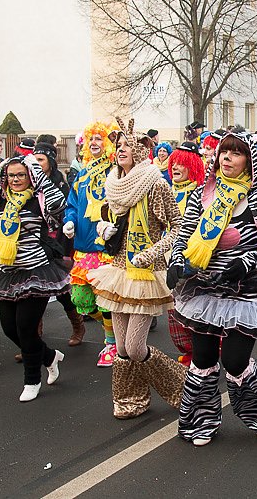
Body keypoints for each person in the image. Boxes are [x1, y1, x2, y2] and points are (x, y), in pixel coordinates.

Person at [170, 130, 257, 446]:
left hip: (246, 292)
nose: (227, 157)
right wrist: (176, 261)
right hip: (206, 289)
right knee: (202, 359)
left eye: (236, 153)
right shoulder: (202, 195)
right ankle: (200, 423)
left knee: (235, 362)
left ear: (248, 161)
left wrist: (250, 260)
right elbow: (184, 237)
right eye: (224, 151)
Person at [87, 117, 186, 419]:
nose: (120, 150)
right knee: (121, 348)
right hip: (119, 270)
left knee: (134, 347)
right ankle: (131, 399)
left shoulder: (156, 184)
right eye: (118, 145)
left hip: (146, 273)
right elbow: (113, 220)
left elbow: (178, 226)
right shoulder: (114, 184)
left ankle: (183, 387)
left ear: (141, 151)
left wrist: (152, 252)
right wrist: (104, 228)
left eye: (127, 146)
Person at [0, 155, 69, 402]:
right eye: (11, 175)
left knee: (25, 327)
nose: (15, 180)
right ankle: (49, 356)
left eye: (21, 175)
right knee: (9, 328)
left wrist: (39, 175)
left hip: (36, 271)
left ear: (30, 176)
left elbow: (59, 204)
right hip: (8, 271)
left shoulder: (39, 199)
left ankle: (32, 380)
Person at [63, 122, 118, 366]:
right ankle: (114, 331)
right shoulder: (82, 174)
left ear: (107, 144)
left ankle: (111, 343)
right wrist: (69, 221)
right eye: (91, 139)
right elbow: (73, 204)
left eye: (99, 138)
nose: (94, 143)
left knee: (106, 299)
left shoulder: (115, 172)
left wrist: (114, 226)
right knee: (80, 299)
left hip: (106, 247)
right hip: (84, 246)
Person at [31, 140, 86, 348]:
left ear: (50, 162)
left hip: (55, 244)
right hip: (33, 243)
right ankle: (33, 339)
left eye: (40, 160)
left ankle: (78, 325)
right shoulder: (27, 183)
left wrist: (64, 251)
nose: (36, 164)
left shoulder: (60, 186)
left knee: (61, 291)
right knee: (34, 291)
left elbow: (66, 218)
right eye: (34, 160)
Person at [165, 140, 206, 366]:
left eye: (181, 163)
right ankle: (190, 353)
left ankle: (204, 354)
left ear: (193, 166)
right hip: (169, 261)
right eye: (174, 162)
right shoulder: (166, 191)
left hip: (194, 263)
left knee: (196, 311)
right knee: (174, 313)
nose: (175, 167)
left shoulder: (201, 196)